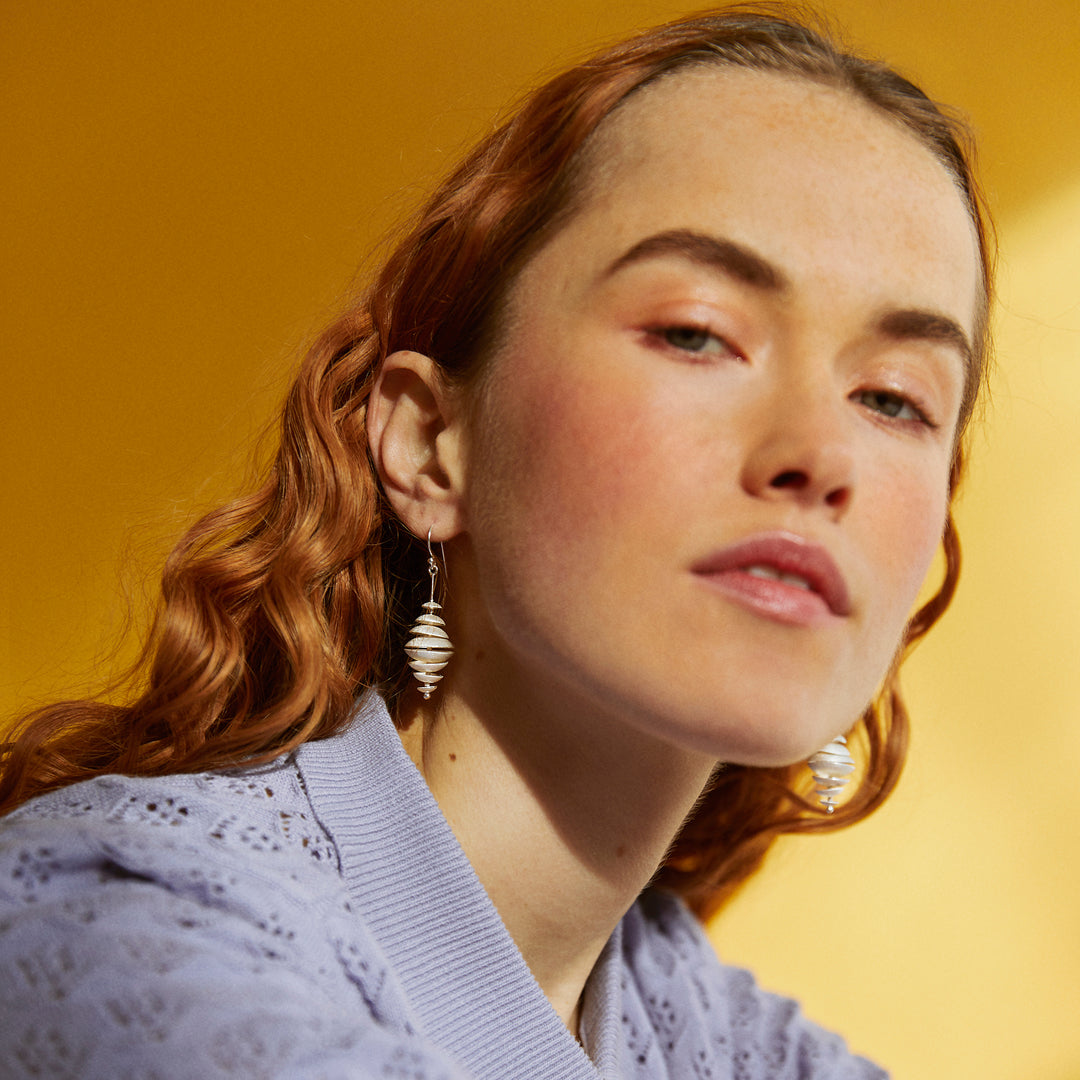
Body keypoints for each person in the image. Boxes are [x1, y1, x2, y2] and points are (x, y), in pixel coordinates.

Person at [0, 5, 991, 1078]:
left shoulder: (739, 1046)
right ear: (430, 444)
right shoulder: (110, 926)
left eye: (893, 400)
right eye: (696, 332)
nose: (820, 455)